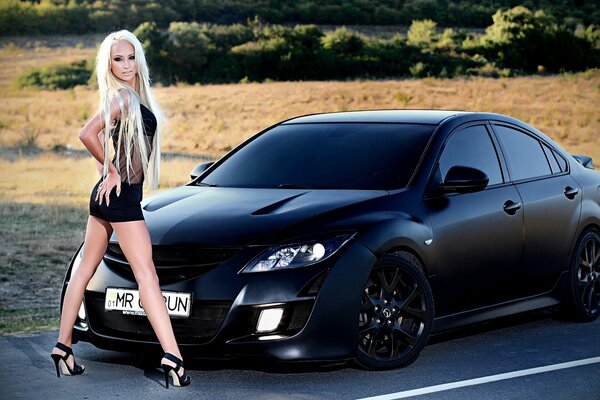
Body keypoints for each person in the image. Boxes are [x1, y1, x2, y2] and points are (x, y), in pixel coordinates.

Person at [50, 30, 191, 389]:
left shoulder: (129, 96)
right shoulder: (124, 97)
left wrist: (107, 173)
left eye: (130, 57)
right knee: (147, 276)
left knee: (83, 269)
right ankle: (173, 356)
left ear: (138, 59)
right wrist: (110, 168)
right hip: (122, 196)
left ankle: (63, 347)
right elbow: (87, 133)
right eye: (118, 59)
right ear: (108, 64)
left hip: (105, 197)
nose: (125, 65)